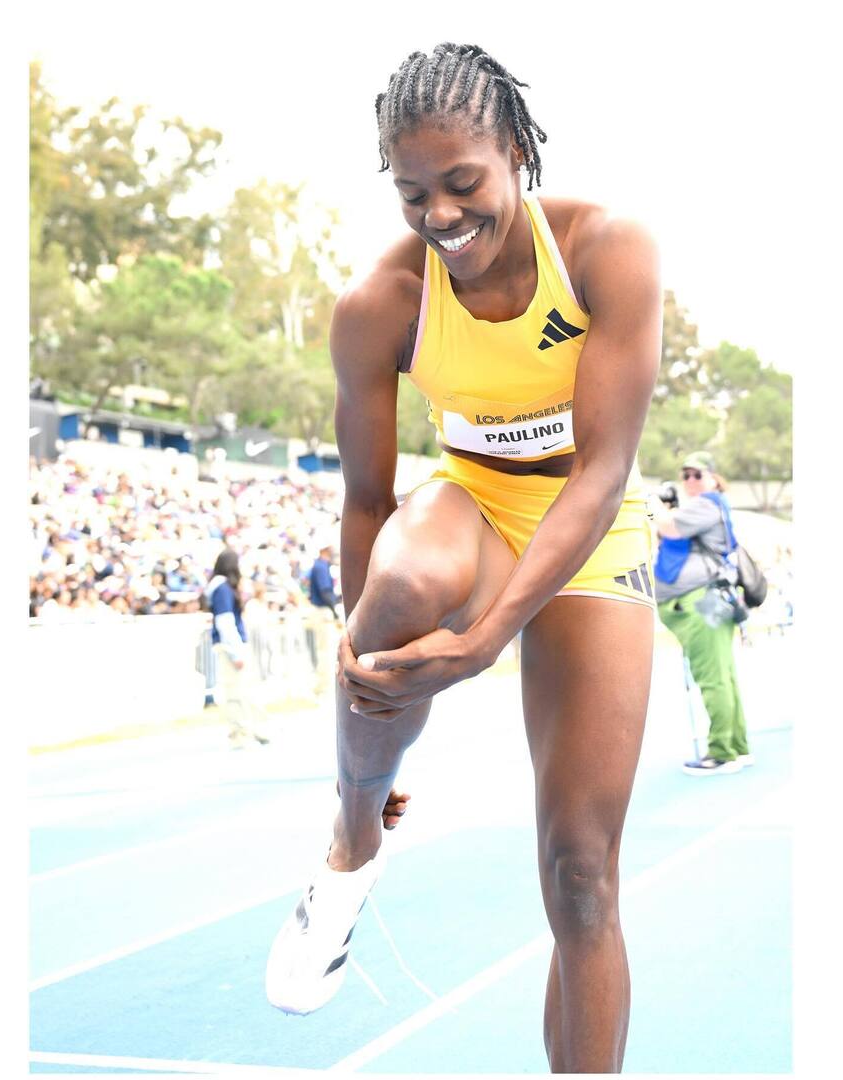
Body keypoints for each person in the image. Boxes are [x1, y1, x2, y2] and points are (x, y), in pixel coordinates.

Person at [265, 43, 661, 1073]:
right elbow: (364, 501)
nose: (440, 215)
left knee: (581, 875)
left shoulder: (607, 251)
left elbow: (601, 474)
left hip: (589, 526)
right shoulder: (379, 305)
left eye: (463, 183)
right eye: (413, 194)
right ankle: (353, 842)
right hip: (470, 504)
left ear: (519, 153)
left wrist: (487, 640)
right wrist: (371, 673)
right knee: (393, 587)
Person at [652, 451, 752, 775]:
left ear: (712, 477)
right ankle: (736, 747)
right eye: (686, 475)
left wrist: (654, 504)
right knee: (722, 675)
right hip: (709, 599)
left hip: (700, 601)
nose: (690, 480)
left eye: (697, 474)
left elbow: (669, 528)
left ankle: (721, 752)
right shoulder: (708, 506)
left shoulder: (707, 504)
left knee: (713, 678)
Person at [203, 548, 268, 749]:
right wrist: (236, 652)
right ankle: (239, 734)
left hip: (233, 645)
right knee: (235, 691)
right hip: (231, 646)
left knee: (244, 690)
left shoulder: (219, 587)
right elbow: (225, 622)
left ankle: (253, 729)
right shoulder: (222, 588)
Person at [307, 544, 342, 695]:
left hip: (322, 610)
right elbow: (325, 592)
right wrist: (335, 612)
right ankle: (323, 687)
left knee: (326, 649)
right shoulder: (320, 566)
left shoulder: (322, 565)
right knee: (325, 650)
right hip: (322, 611)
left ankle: (324, 686)